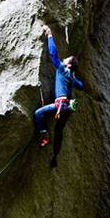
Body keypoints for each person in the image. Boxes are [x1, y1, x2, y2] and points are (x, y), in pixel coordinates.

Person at [34, 25, 84, 168]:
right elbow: (81, 86)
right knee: (59, 131)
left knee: (38, 114)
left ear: (68, 65)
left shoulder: (62, 69)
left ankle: (44, 135)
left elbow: (53, 54)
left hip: (60, 106)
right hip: (68, 108)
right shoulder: (72, 78)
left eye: (66, 59)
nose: (63, 60)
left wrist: (49, 34)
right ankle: (55, 156)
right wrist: (74, 77)